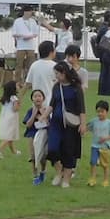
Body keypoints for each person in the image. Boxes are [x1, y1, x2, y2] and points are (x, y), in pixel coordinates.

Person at [48, 60, 85, 188]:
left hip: (71, 124)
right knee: (52, 149)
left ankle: (66, 179)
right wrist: (43, 116)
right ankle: (59, 172)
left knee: (68, 151)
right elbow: (52, 104)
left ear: (64, 73)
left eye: (57, 73)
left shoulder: (76, 88)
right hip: (56, 123)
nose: (56, 76)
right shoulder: (56, 87)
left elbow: (81, 108)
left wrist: (83, 124)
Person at [0, 80, 21, 158]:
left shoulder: (5, 98)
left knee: (10, 136)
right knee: (9, 136)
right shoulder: (15, 98)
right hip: (12, 118)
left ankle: (14, 151)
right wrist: (18, 104)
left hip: (4, 118)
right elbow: (15, 109)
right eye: (17, 86)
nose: (19, 87)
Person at [86, 99, 110, 187]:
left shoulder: (109, 123)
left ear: (107, 112)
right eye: (98, 111)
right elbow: (88, 127)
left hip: (105, 147)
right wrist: (83, 131)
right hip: (95, 146)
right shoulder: (94, 121)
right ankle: (92, 179)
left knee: (105, 165)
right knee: (93, 162)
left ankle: (106, 180)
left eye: (102, 112)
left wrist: (106, 138)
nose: (100, 114)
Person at [24, 87, 50, 184]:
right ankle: (35, 175)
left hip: (44, 134)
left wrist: (43, 114)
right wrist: (34, 114)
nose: (37, 98)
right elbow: (28, 124)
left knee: (43, 156)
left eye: (39, 96)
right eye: (35, 96)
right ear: (32, 99)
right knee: (33, 156)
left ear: (43, 98)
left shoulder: (47, 110)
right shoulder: (30, 110)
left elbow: (49, 124)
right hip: (32, 134)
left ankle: (43, 171)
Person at [92, 11, 110, 97]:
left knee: (104, 73)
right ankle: (109, 91)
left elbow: (98, 40)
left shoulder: (105, 30)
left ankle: (102, 90)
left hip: (104, 54)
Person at [10, 6, 40, 81]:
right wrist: (22, 36)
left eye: (31, 12)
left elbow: (36, 33)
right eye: (29, 12)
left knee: (30, 64)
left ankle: (29, 81)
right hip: (21, 46)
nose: (30, 13)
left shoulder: (33, 21)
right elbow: (14, 33)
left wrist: (30, 37)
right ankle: (17, 81)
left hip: (31, 46)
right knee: (19, 64)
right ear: (25, 12)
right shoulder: (17, 21)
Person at [25, 40, 58, 108]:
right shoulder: (55, 66)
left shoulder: (34, 65)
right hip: (51, 103)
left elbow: (27, 84)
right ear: (51, 52)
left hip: (37, 103)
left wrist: (19, 98)